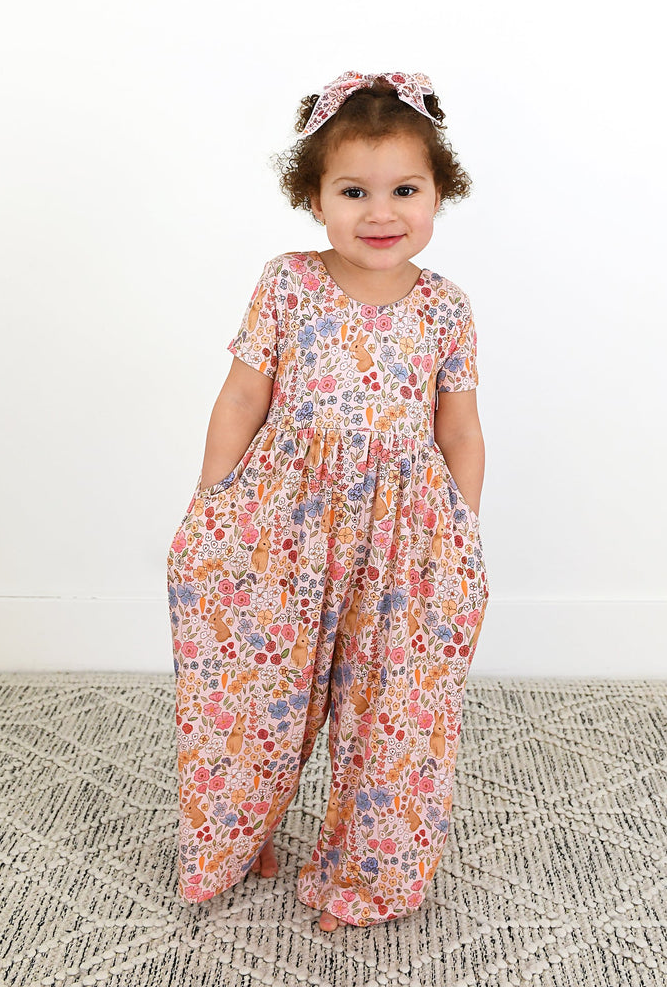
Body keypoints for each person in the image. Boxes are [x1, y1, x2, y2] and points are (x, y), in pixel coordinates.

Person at [167, 70, 489, 932]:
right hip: (284, 525)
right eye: (353, 192)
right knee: (254, 689)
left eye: (405, 190)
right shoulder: (288, 285)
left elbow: (459, 429)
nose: (380, 212)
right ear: (314, 198)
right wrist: (211, 500)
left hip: (404, 537)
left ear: (439, 194)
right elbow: (243, 397)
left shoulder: (445, 310)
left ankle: (367, 872)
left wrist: (460, 530)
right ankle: (239, 834)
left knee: (395, 709)